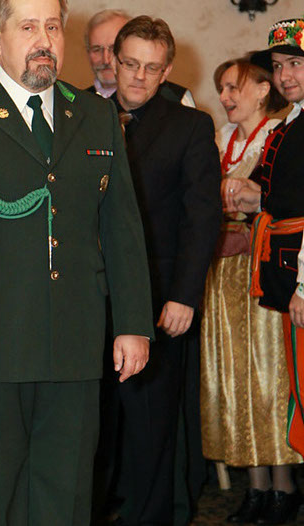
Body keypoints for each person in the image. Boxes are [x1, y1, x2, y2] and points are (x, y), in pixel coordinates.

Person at [0, 0, 155, 523]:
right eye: (29, 27)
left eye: (53, 27)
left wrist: (133, 324)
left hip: (74, 335)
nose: (45, 40)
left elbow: (122, 226)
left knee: (68, 491)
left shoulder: (95, 114)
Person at [103, 16, 222, 526]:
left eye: (152, 68)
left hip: (160, 300)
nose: (139, 77)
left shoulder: (190, 126)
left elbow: (203, 218)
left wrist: (185, 295)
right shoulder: (84, 118)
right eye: (130, 63)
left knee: (151, 425)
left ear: (167, 70)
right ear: (113, 61)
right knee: (97, 424)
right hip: (90, 299)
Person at [200, 55, 298, 525]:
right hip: (223, 277)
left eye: (234, 87)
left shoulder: (275, 136)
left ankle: (284, 485)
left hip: (260, 269)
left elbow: (284, 205)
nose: (225, 97)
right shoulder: (222, 140)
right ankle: (256, 486)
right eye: (221, 88)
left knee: (268, 376)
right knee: (236, 376)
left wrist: (246, 225)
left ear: (263, 90)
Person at [225, 16, 304, 524]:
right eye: (278, 66)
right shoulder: (290, 123)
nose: (285, 75)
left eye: (295, 63)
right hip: (283, 271)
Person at [84, 9, 195, 107]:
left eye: (113, 48)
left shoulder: (177, 99)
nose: (106, 59)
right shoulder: (78, 103)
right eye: (96, 49)